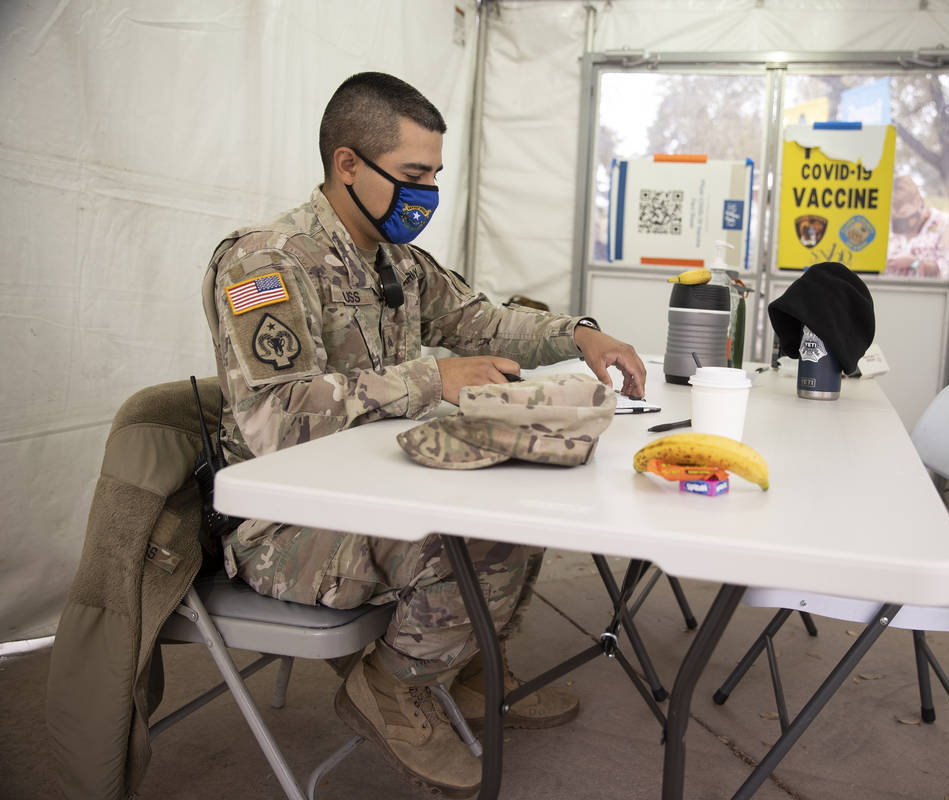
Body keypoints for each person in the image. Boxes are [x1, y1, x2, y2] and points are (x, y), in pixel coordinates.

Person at [202, 72, 645, 798]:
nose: (427, 193)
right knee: (472, 536)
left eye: (436, 174)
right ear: (348, 164)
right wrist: (432, 379)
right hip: (289, 522)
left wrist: (581, 335)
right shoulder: (264, 262)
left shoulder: (397, 264)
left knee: (525, 500)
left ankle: (466, 665)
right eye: (413, 174)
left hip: (374, 485)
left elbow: (489, 322)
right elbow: (274, 417)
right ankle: (393, 689)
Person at [885, 173, 949, 279]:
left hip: (925, 293)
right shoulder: (889, 225)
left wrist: (913, 263)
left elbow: (947, 272)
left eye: (903, 213)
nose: (900, 221)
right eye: (895, 216)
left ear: (917, 201)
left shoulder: (944, 224)